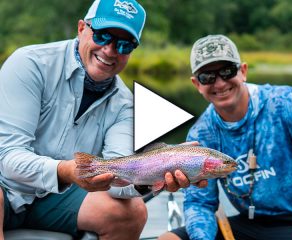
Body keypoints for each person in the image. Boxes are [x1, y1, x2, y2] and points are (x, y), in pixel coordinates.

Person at [0, 0, 200, 239]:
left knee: (132, 212)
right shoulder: (31, 64)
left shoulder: (126, 104)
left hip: (54, 198)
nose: (110, 50)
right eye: (103, 36)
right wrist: (65, 170)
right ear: (82, 28)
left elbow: (118, 176)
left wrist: (151, 177)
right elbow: (7, 158)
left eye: (125, 45)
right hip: (5, 185)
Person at [158, 34, 292, 240]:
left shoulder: (289, 104)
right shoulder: (201, 134)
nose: (219, 83)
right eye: (207, 77)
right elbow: (200, 204)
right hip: (252, 223)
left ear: (243, 71)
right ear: (197, 84)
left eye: (227, 71)